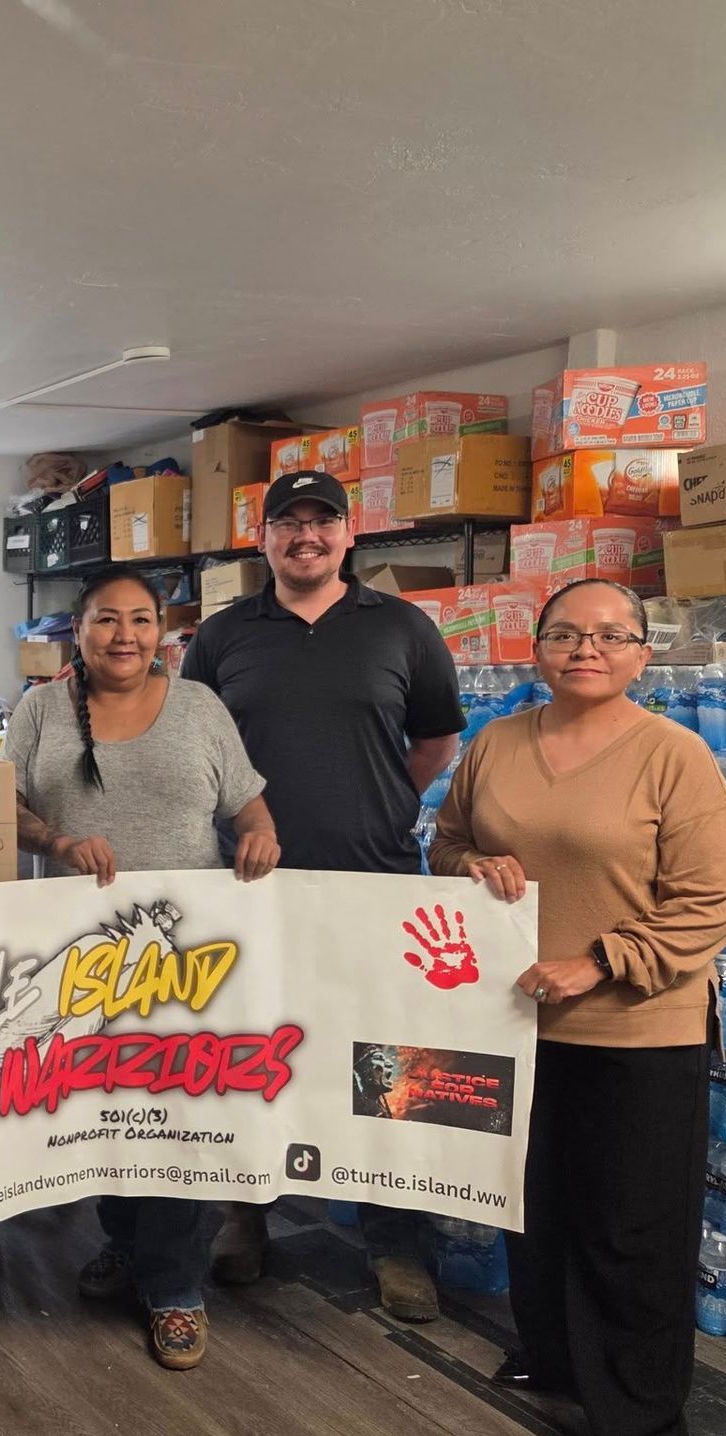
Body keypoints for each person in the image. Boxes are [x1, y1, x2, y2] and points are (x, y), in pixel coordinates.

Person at [430, 579, 726, 1436]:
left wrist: (601, 962)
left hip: (638, 1028)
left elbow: (713, 901)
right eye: (565, 634)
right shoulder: (497, 743)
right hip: (514, 1020)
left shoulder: (674, 755)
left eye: (610, 636)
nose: (586, 650)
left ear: (643, 654)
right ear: (536, 650)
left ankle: (638, 1412)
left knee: (631, 1228)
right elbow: (447, 842)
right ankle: (557, 1356)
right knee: (535, 1209)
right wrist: (470, 866)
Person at [184, 469, 465, 1322]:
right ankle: (245, 1214)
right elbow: (196, 751)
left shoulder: (403, 627)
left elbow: (436, 742)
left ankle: (397, 1243)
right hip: (249, 888)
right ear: (263, 538)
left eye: (323, 520)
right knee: (252, 1057)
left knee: (387, 1065)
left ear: (349, 535)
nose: (305, 536)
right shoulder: (223, 636)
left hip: (374, 883)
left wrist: (374, 805)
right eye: (288, 522)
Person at [5, 564, 280, 1372]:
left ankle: (175, 1286)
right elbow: (3, 806)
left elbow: (248, 804)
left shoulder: (199, 707)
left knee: (181, 1110)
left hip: (191, 954)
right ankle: (126, 1241)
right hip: (81, 952)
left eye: (139, 619)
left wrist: (261, 836)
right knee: (104, 1107)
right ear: (78, 630)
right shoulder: (40, 709)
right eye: (105, 619)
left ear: (162, 630)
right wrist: (57, 840)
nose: (124, 635)